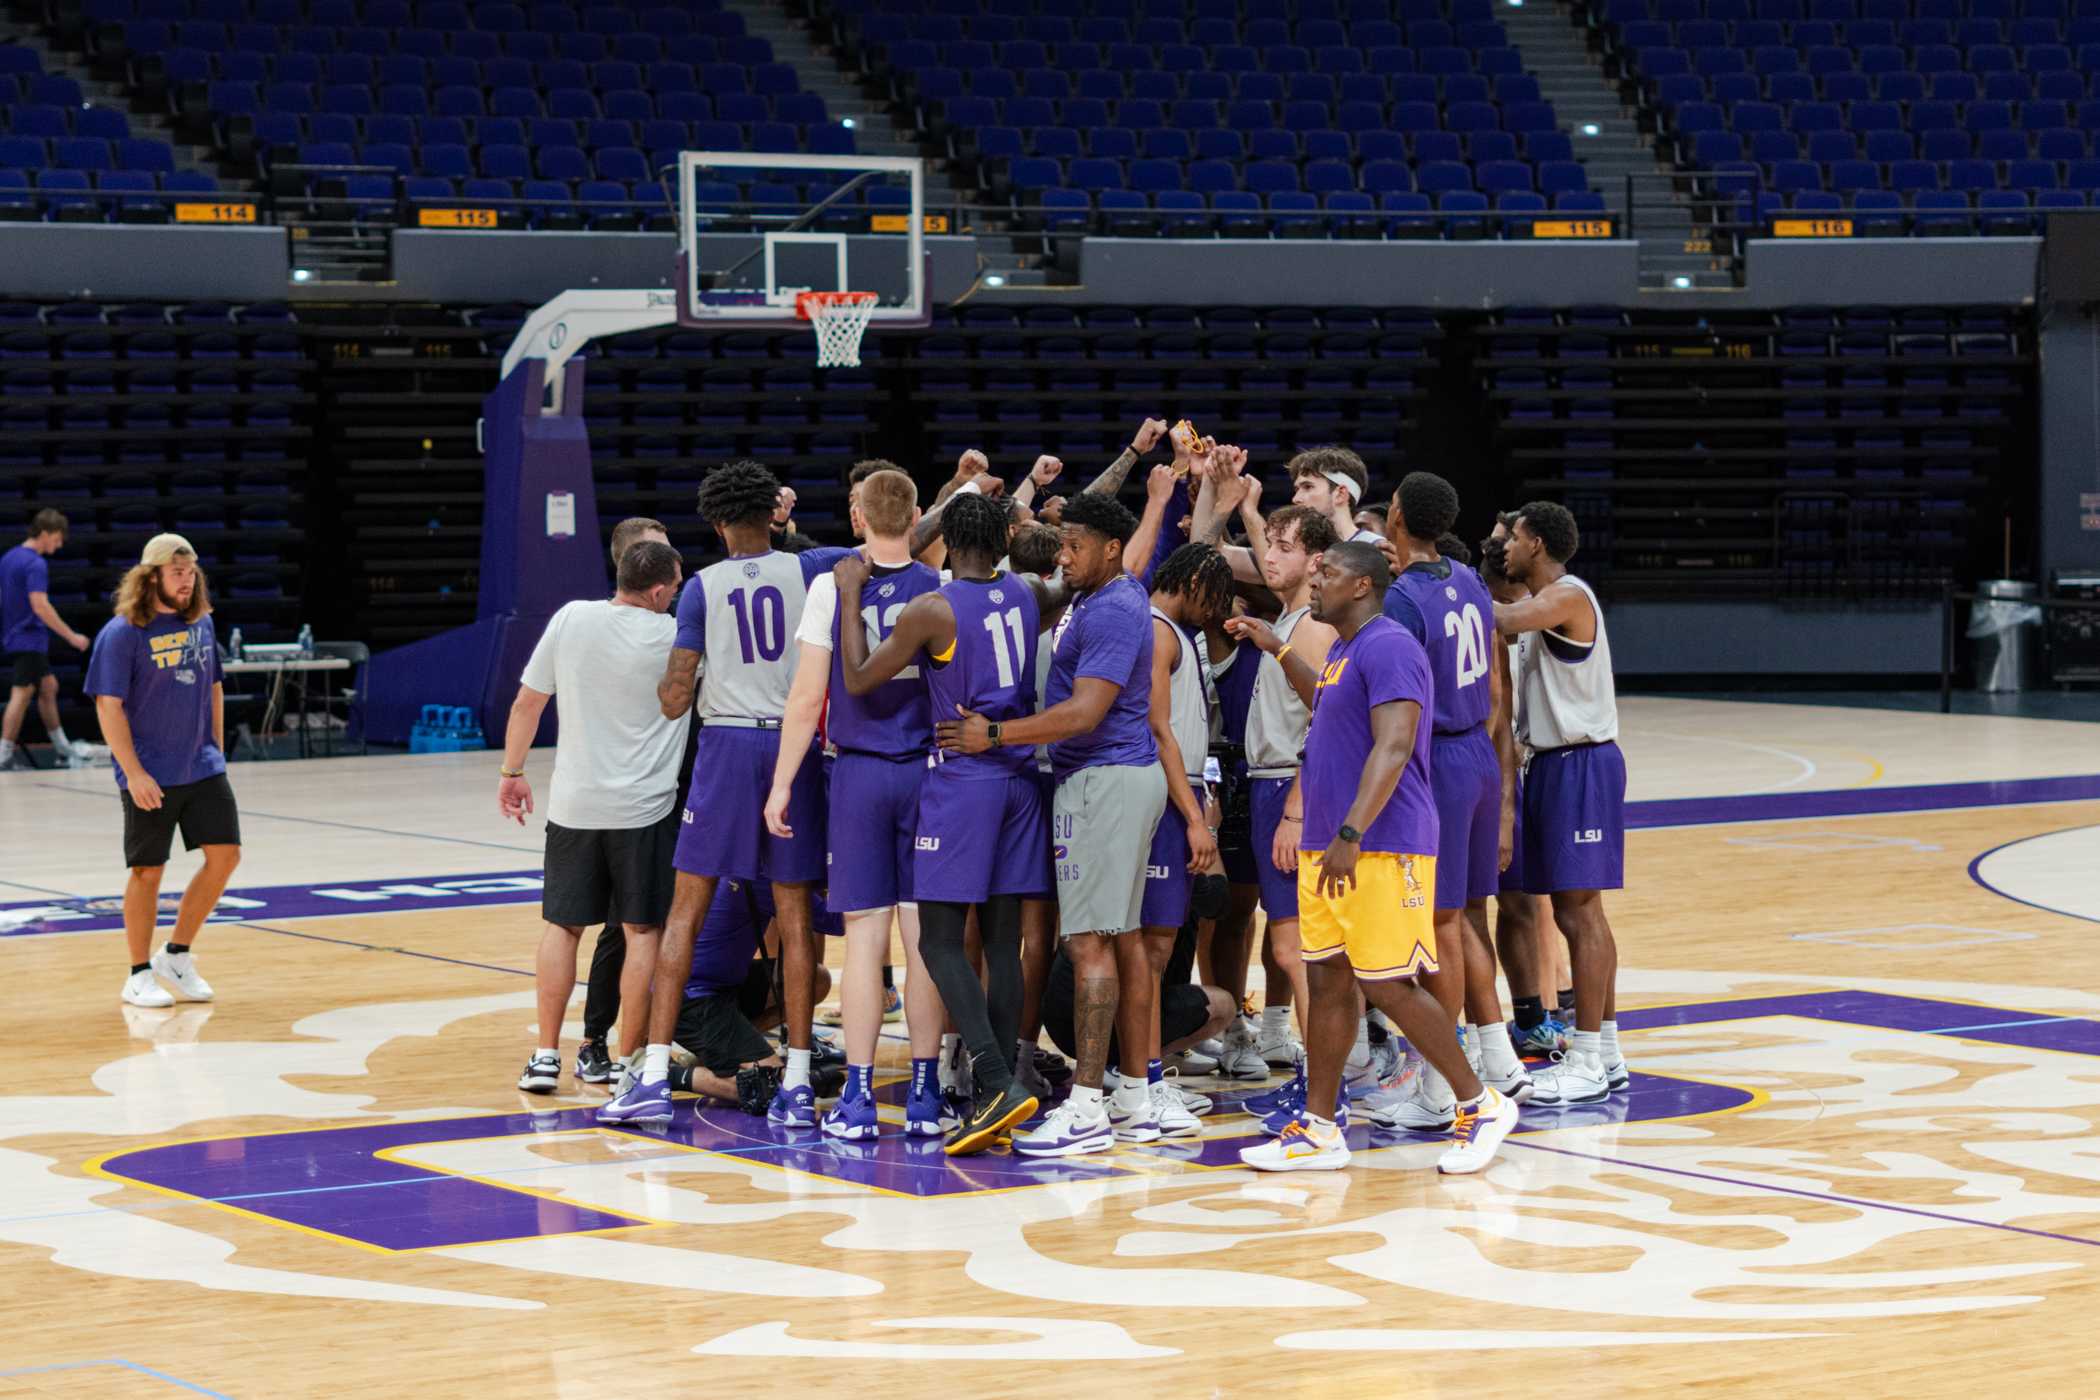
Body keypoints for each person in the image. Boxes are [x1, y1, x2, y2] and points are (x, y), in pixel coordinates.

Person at [1239, 541, 1517, 1175]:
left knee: (1388, 982)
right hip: (1334, 845)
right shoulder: (1343, 650)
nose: (1316, 582)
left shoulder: (1391, 645)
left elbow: (1392, 746)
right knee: (1328, 978)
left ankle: (1479, 1103)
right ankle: (1318, 1129)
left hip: (1380, 844)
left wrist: (1351, 832)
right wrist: (1279, 650)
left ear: (1362, 585)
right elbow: (1331, 706)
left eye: (1327, 574)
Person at [599, 460, 852, 1128]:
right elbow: (894, 539)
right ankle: (798, 1079)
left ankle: (652, 1073)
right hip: (793, 746)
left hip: (728, 748)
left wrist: (671, 678)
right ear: (772, 513)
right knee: (795, 919)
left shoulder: (702, 588)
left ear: (714, 522)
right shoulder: (809, 568)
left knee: (685, 911)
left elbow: (675, 700)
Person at [936, 491, 1163, 1158]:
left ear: (1112, 549)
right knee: (1110, 940)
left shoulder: (1119, 606)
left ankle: (1088, 1107)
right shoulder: (1094, 598)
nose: (1062, 556)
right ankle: (1132, 1096)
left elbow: (1086, 712)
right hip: (1103, 781)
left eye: (1075, 545)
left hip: (1105, 778)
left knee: (1088, 943)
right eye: (1060, 543)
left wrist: (996, 734)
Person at [840, 490, 1065, 1154]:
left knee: (938, 941)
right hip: (1019, 779)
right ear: (999, 542)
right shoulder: (1026, 593)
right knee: (1000, 946)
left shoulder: (931, 610)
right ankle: (1002, 1081)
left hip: (964, 780)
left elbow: (857, 678)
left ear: (951, 544)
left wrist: (853, 592)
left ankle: (995, 1080)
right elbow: (1057, 590)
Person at [764, 466, 949, 1140]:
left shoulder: (830, 584)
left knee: (866, 945)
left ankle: (860, 1098)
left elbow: (808, 698)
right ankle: (927, 1095)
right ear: (917, 516)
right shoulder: (941, 588)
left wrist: (783, 781)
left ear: (859, 519)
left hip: (860, 774)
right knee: (926, 942)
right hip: (930, 774)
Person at [1368, 473, 1533, 1132]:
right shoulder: (1467, 577)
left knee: (1437, 928)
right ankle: (1492, 1057)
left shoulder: (1404, 599)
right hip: (1476, 754)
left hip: (1431, 757)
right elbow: (1494, 686)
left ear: (1398, 515)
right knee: (1462, 918)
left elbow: (1398, 700)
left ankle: (1442, 1084)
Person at [499, 539, 688, 1095]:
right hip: (644, 811)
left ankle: (542, 1057)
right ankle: (628, 1063)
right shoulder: (677, 636)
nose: (675, 599)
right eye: (673, 590)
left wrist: (512, 772)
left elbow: (526, 703)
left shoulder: (571, 618)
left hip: (574, 805)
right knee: (641, 931)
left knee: (562, 926)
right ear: (658, 591)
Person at [1495, 501, 1628, 1104]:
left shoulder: (1568, 596)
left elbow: (1496, 617)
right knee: (1575, 911)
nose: (1505, 549)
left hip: (1582, 763)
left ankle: (1592, 1055)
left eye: (1513, 539)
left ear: (1539, 544)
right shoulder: (1538, 607)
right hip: (1547, 764)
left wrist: (1428, 578)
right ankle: (1609, 1054)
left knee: (1580, 913)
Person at [85, 534, 239, 1009]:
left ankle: (175, 954)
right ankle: (136, 975)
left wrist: (214, 744)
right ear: (151, 576)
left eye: (191, 572)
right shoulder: (122, 633)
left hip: (201, 765)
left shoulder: (202, 625)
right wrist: (133, 772)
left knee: (225, 856)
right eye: (177, 573)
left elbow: (213, 684)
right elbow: (109, 706)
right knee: (148, 871)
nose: (187, 581)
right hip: (150, 772)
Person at [1221, 505, 1339, 1069]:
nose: (1270, 555)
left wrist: (1294, 809)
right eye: (1268, 542)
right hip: (1272, 786)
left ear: (1316, 560)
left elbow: (1327, 721)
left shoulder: (1312, 627)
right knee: (1296, 948)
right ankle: (1331, 1077)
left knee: (1298, 951)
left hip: (1291, 791)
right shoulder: (1289, 621)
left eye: (1285, 545)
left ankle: (1325, 1087)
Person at [1129, 542, 1231, 1137]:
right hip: (1162, 802)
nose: (1217, 612)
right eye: (1213, 597)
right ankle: (1140, 1079)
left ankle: (1148, 1073)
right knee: (1149, 950)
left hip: (1185, 792)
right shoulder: (1159, 630)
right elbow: (1158, 730)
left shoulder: (1175, 631)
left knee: (1162, 949)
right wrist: (1191, 816)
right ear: (1192, 581)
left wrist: (1203, 802)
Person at [575, 516, 678, 1087]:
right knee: (625, 924)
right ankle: (600, 1040)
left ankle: (662, 1033)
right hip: (622, 796)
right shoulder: (596, 626)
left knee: (663, 919)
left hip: (673, 780)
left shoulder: (670, 625)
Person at [1478, 532, 1568, 1057]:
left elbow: (1507, 731)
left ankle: (1535, 1013)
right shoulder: (1477, 631)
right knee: (1463, 912)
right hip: (1476, 772)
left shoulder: (1535, 621)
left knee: (1526, 904)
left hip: (1516, 772)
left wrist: (1508, 813)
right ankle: (1476, 1030)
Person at [1, 509, 92, 771]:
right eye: (57, 538)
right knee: (22, 693)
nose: (59, 544)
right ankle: (3, 754)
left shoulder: (9, 558)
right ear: (44, 533)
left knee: (48, 687)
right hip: (29, 638)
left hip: (16, 635)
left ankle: (62, 747)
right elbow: (40, 606)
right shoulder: (35, 563)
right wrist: (72, 636)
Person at [1287, 446, 1385, 548]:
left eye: (1308, 487)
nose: (1295, 499)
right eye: (1297, 490)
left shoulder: (1376, 549)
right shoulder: (1300, 549)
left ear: (1340, 494)